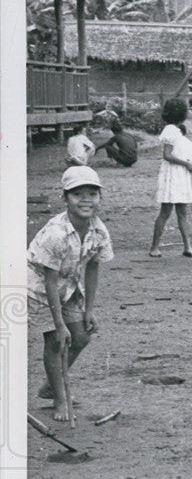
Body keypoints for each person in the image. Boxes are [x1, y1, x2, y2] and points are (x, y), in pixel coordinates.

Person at [27, 167, 114, 421]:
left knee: (82, 336)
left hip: (70, 285)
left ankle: (49, 387)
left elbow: (94, 266)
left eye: (92, 193)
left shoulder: (99, 231)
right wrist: (59, 323)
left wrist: (89, 310)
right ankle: (60, 399)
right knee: (56, 340)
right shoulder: (56, 233)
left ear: (100, 197)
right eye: (77, 194)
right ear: (65, 198)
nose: (85, 200)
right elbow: (49, 280)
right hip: (40, 288)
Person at [149, 98, 192, 258]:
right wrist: (186, 164)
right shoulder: (170, 130)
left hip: (180, 173)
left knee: (182, 212)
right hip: (172, 173)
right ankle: (154, 247)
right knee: (166, 211)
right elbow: (167, 155)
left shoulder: (176, 131)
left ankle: (187, 246)